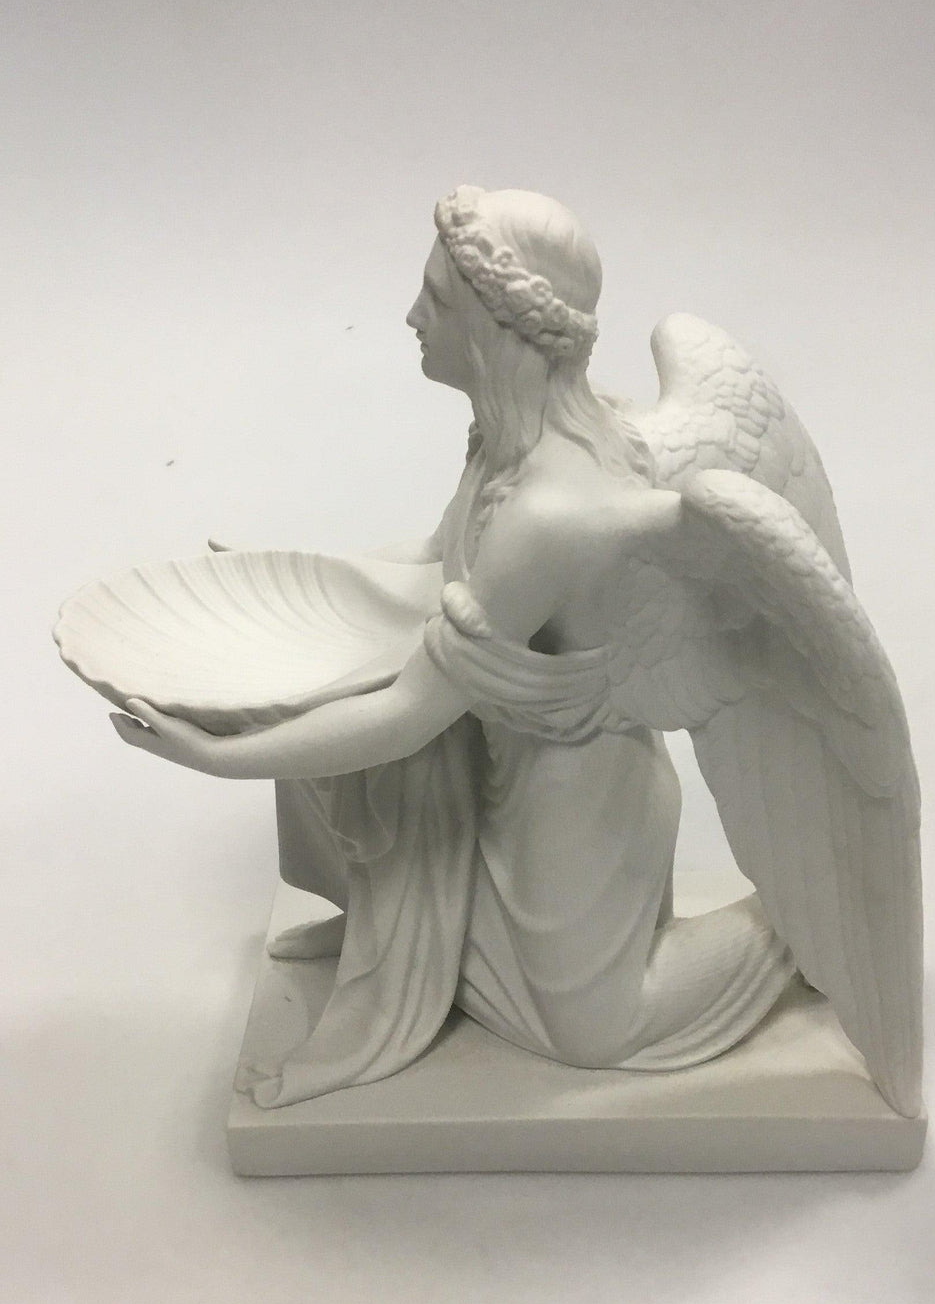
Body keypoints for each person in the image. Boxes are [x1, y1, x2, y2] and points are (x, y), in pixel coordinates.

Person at [112, 187, 797, 1106]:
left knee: (597, 1033)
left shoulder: (551, 514)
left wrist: (218, 753)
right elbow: (441, 558)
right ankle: (395, 931)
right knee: (331, 671)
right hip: (498, 749)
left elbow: (406, 717)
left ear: (493, 329)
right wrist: (286, 579)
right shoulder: (507, 446)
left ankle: (798, 920)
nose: (411, 316)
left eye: (436, 299)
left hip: (574, 793)